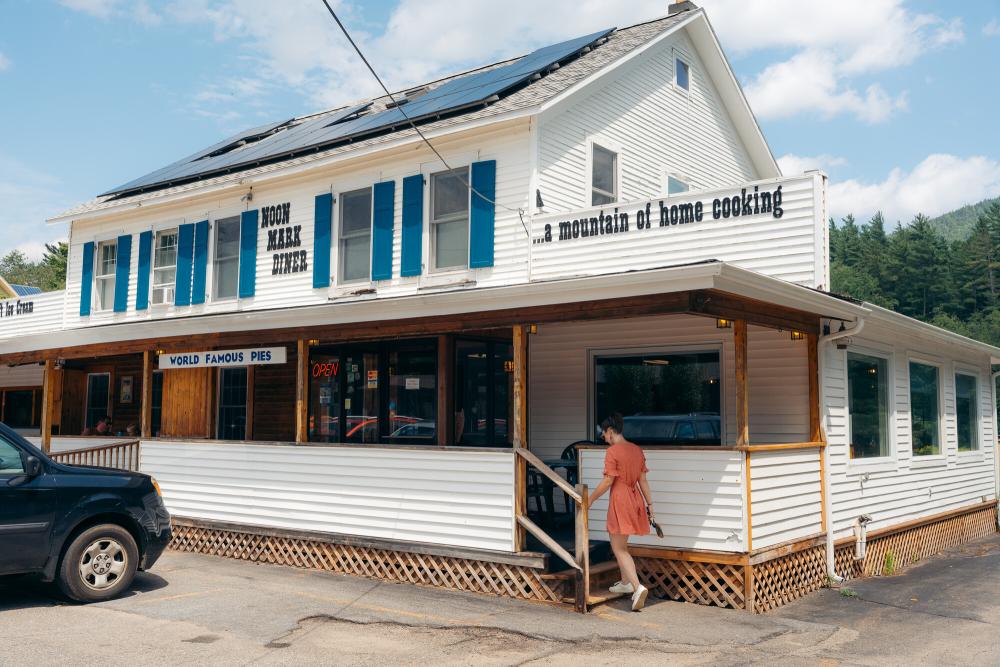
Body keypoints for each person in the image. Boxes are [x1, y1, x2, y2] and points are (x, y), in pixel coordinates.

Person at [587, 413, 655, 611]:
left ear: (610, 431)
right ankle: (626, 582)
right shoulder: (636, 450)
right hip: (635, 498)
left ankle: (637, 587)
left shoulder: (613, 452)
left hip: (621, 498)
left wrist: (590, 499)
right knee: (623, 543)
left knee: (618, 547)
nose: (604, 438)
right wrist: (650, 507)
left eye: (604, 434)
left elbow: (608, 480)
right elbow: (643, 481)